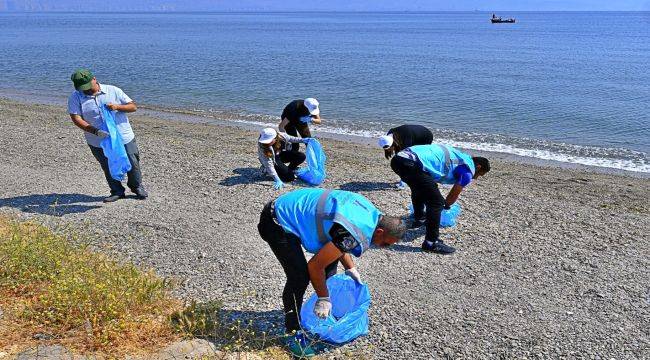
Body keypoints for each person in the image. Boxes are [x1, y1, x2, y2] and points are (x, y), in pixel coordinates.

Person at [258, 188, 406, 357]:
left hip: (292, 207)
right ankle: (292, 333)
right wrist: (323, 298)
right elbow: (315, 266)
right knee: (299, 277)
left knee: (329, 268)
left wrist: (350, 268)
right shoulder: (360, 229)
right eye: (385, 243)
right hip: (277, 220)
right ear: (380, 232)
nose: (382, 247)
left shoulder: (374, 216)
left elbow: (339, 240)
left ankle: (321, 315)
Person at [390, 143, 490, 255]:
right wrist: (446, 206)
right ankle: (431, 243)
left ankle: (420, 218)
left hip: (399, 159)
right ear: (478, 167)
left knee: (420, 188)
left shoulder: (460, 157)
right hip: (411, 163)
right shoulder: (467, 171)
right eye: (480, 175)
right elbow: (453, 195)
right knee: (436, 202)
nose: (476, 178)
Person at [67, 69, 148, 203]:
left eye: (87, 86)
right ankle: (116, 191)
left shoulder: (113, 90)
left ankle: (137, 187)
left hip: (124, 136)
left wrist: (117, 107)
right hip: (97, 139)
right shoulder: (75, 97)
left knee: (132, 162)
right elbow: (76, 118)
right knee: (107, 164)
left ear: (94, 79)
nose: (85, 90)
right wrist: (95, 131)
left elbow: (133, 107)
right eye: (82, 88)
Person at [377, 124, 433, 189]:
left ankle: (408, 181)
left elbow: (406, 160)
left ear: (393, 143)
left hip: (425, 136)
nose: (387, 150)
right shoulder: (387, 136)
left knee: (417, 159)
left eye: (389, 148)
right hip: (413, 134)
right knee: (401, 159)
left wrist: (403, 180)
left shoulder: (406, 139)